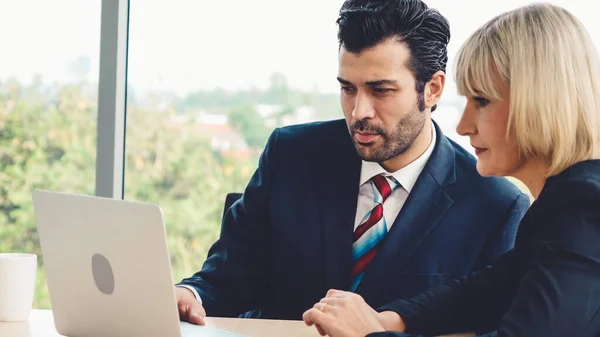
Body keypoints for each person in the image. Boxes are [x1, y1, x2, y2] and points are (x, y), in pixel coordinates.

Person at [175, 0, 530, 325]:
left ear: (433, 89)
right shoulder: (290, 155)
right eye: (348, 89)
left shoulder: (495, 205)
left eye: (381, 90)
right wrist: (189, 295)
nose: (359, 112)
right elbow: (226, 278)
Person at [302, 3, 600, 337]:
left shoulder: (583, 209)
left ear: (540, 101)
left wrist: (368, 336)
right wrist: (390, 320)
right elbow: (484, 292)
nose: (462, 125)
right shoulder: (564, 204)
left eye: (482, 101)